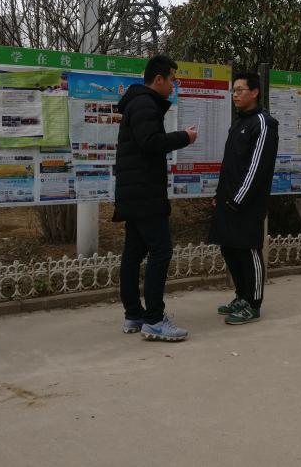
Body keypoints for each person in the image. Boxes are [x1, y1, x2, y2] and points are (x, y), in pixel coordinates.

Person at [113, 55, 198, 341]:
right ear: (158, 79)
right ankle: (154, 320)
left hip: (136, 192)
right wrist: (184, 137)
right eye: (172, 79)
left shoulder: (139, 103)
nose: (174, 85)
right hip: (145, 194)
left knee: (134, 253)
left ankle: (134, 314)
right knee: (161, 251)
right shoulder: (145, 104)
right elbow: (150, 142)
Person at [210, 71, 279, 325]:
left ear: (255, 92)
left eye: (240, 90)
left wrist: (238, 199)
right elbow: (231, 165)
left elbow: (257, 168)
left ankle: (253, 303)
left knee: (248, 250)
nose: (235, 95)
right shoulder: (239, 123)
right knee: (229, 248)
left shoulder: (263, 123)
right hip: (228, 200)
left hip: (246, 203)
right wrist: (220, 196)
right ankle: (241, 296)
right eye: (234, 91)